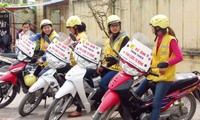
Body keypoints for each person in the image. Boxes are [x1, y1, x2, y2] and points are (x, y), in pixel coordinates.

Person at [67, 15, 130, 117]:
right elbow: (105, 56)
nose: (114, 27)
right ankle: (97, 103)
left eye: (116, 25)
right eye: (112, 26)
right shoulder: (109, 39)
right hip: (108, 67)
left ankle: (117, 103)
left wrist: (117, 60)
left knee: (103, 84)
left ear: (119, 26)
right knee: (98, 88)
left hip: (119, 69)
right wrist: (101, 65)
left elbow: (126, 55)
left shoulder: (124, 38)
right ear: (109, 27)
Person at [134, 14, 183, 120]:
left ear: (158, 28)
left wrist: (167, 63)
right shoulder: (158, 39)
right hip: (154, 74)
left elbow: (179, 57)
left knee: (156, 103)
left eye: (153, 27)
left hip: (165, 77)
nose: (151, 29)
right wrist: (145, 65)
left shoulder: (171, 39)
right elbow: (155, 57)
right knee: (135, 94)